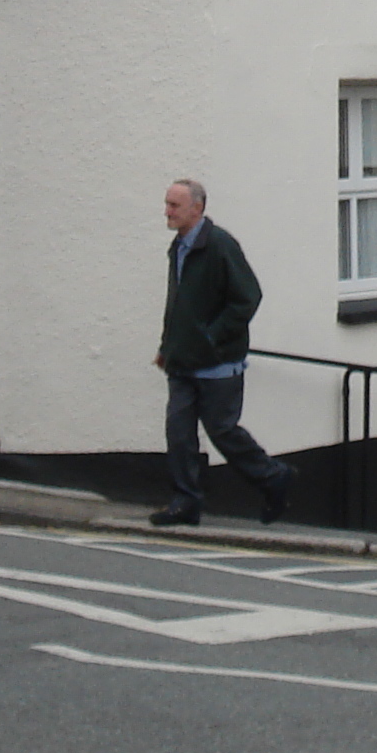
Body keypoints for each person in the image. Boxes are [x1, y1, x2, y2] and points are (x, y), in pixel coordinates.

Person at [151, 177, 295, 528]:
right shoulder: (179, 247)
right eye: (167, 204)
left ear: (197, 208)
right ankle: (185, 502)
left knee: (223, 432)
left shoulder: (219, 245)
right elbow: (179, 305)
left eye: (174, 205)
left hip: (218, 365)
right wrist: (167, 346)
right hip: (183, 363)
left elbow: (248, 297)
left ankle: (273, 476)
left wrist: (213, 337)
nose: (167, 212)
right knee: (179, 435)